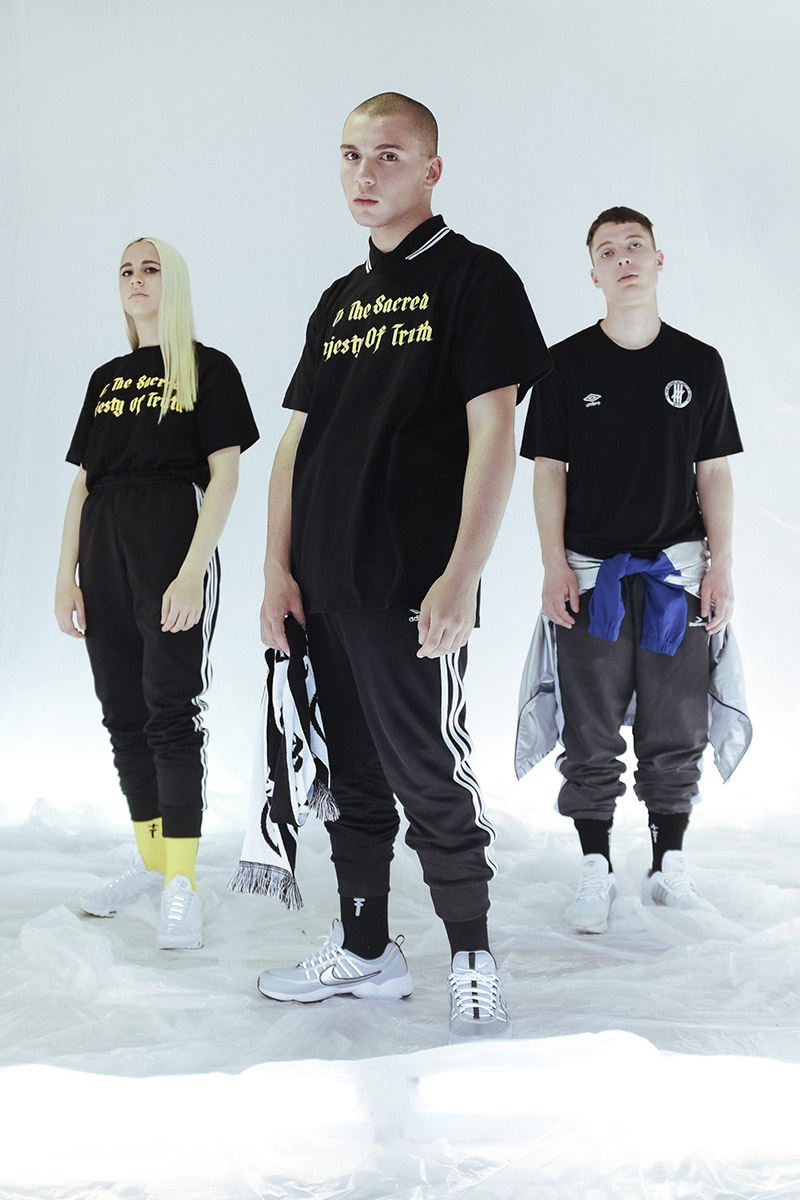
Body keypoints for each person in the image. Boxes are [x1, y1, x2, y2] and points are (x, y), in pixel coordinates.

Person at [255, 92, 551, 1035]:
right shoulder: (339, 301)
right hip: (322, 579)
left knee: (427, 774)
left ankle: (471, 956)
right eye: (350, 155)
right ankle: (366, 950)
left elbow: (495, 434)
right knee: (350, 779)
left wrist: (462, 572)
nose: (364, 173)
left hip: (409, 581)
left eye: (387, 155)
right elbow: (295, 445)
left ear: (431, 169)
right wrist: (275, 569)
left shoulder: (475, 278)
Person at [519, 206, 744, 933]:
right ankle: (595, 867)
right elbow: (547, 472)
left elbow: (714, 473)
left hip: (677, 572)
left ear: (658, 259)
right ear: (592, 273)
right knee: (590, 727)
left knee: (677, 723)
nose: (624, 260)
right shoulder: (563, 365)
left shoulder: (699, 363)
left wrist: (721, 566)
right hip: (592, 576)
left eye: (635, 246)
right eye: (608, 251)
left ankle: (668, 863)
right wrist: (553, 564)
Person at [55, 237, 259, 949]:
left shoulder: (208, 367)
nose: (136, 279)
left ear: (174, 284)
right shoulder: (106, 379)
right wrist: (66, 574)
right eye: (126, 270)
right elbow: (83, 485)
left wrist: (192, 569)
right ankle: (152, 866)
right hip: (103, 549)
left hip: (169, 541)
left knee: (170, 709)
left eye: (151, 269)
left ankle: (182, 881)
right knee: (123, 712)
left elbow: (225, 475)